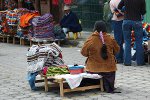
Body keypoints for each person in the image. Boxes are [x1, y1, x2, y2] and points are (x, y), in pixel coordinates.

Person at [81, 21, 120, 93]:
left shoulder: (90, 39)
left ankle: (95, 84)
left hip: (93, 70)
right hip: (109, 70)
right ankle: (107, 86)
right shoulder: (110, 39)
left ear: (95, 28)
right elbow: (117, 50)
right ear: (105, 28)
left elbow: (83, 53)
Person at [118, 0, 146, 66]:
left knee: (127, 42)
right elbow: (143, 12)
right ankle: (140, 62)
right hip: (137, 21)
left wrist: (124, 11)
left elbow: (119, 7)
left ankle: (127, 62)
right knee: (139, 41)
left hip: (126, 21)